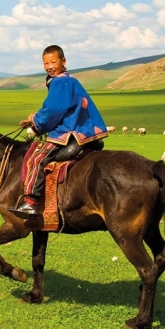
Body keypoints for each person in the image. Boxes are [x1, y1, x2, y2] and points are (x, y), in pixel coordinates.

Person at [9, 45, 108, 218]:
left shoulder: (60, 81)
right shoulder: (69, 80)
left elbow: (54, 110)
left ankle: (31, 202)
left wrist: (36, 123)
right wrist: (34, 118)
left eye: (53, 61)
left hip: (69, 130)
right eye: (45, 63)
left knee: (37, 158)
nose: (49, 66)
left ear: (63, 61)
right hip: (83, 128)